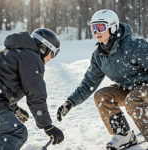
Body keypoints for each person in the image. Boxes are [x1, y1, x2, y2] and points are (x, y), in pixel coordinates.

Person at [57, 9, 148, 150]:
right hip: (129, 88)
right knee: (102, 96)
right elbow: (89, 83)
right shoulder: (99, 55)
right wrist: (71, 101)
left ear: (112, 27)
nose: (96, 32)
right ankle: (123, 134)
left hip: (145, 87)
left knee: (133, 100)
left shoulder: (134, 46)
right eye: (93, 27)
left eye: (100, 27)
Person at [0, 28, 64, 150]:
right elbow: (36, 95)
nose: (52, 58)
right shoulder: (31, 57)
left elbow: (3, 85)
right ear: (44, 48)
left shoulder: (15, 52)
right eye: (54, 53)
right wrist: (47, 126)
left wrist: (14, 109)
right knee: (17, 132)